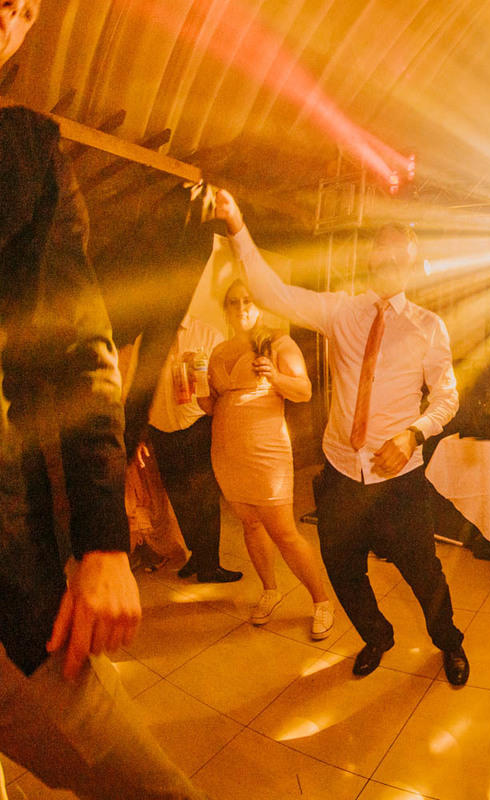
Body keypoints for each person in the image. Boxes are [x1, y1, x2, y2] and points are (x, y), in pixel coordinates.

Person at [0, 1, 207, 796]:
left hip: (9, 594)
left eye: (26, 7)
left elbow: (77, 349)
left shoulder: (22, 154)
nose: (13, 12)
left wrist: (102, 539)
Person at [214, 191, 469, 684]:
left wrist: (413, 435)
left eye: (400, 257)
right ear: (371, 256)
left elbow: (447, 398)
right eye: (382, 252)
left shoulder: (428, 327)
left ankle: (449, 641)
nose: (389, 262)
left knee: (424, 574)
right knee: (342, 567)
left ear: (412, 266)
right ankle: (376, 635)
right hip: (341, 474)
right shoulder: (341, 311)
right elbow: (271, 292)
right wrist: (238, 226)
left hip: (399, 479)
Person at [199, 281, 334, 639]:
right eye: (234, 302)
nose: (241, 307)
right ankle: (270, 590)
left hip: (266, 450)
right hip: (226, 452)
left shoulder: (276, 342)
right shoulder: (218, 351)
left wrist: (274, 376)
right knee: (250, 525)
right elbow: (212, 406)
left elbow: (303, 391)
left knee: (284, 532)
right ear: (226, 309)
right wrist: (198, 390)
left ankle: (321, 601)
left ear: (259, 305)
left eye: (248, 300)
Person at [145, 314, 242, 584]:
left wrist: (201, 371)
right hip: (160, 428)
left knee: (205, 497)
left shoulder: (208, 335)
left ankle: (210, 565)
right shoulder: (147, 338)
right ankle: (198, 555)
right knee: (179, 498)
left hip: (196, 425)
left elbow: (223, 383)